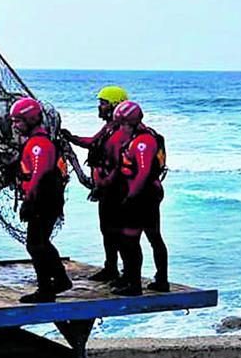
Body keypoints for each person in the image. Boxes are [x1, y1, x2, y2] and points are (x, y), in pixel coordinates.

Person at [9, 97, 73, 303]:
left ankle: (46, 289)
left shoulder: (39, 144)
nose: (15, 126)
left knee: (36, 244)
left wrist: (29, 201)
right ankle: (61, 280)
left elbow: (39, 174)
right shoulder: (37, 141)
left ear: (30, 119)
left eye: (18, 121)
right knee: (39, 243)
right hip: (44, 198)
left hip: (44, 199)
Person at [63, 85, 128, 283]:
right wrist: (72, 138)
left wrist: (104, 185)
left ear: (116, 105)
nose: (99, 107)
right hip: (106, 189)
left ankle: (126, 273)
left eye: (103, 103)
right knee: (107, 229)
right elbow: (94, 142)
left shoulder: (121, 132)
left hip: (116, 190)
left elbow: (118, 165)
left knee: (118, 231)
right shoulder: (109, 127)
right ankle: (111, 268)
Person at [111, 101, 169, 296]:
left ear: (130, 122)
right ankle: (152, 280)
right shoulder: (137, 138)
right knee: (148, 237)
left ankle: (136, 284)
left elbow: (143, 172)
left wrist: (131, 196)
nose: (120, 129)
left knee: (132, 239)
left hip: (144, 195)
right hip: (144, 193)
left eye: (121, 124)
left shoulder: (143, 142)